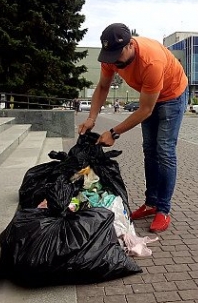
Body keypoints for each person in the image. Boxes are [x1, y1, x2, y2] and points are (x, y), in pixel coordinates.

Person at [78, 23, 188, 233]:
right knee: (149, 150)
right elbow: (102, 86)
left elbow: (146, 110)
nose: (113, 62)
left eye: (117, 55)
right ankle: (150, 203)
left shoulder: (151, 60)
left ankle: (163, 210)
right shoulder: (111, 57)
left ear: (130, 45)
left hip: (172, 96)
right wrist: (92, 117)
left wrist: (113, 132)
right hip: (151, 95)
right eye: (109, 55)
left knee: (164, 150)